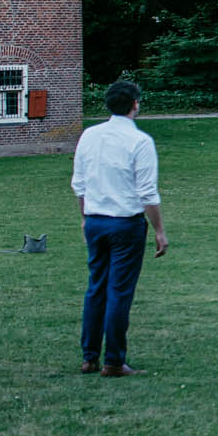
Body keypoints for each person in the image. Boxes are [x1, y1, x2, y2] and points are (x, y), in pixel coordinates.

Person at [70, 80, 167, 377]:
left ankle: (89, 357)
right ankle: (113, 360)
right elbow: (147, 194)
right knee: (119, 292)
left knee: (95, 288)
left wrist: (86, 217)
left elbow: (80, 183)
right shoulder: (139, 142)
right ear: (135, 104)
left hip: (96, 219)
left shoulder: (90, 135)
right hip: (125, 222)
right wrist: (160, 230)